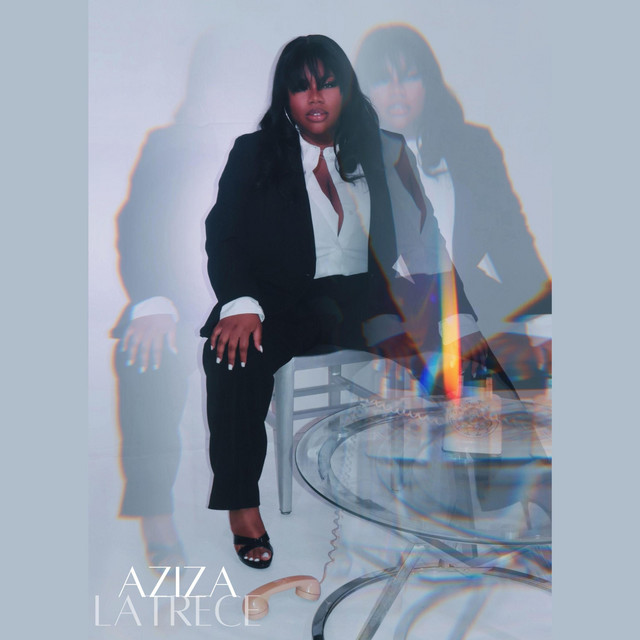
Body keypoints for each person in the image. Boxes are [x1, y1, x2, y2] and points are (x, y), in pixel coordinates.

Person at [200, 34, 485, 569]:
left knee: (469, 354)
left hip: (367, 298)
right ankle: (242, 506)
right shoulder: (254, 153)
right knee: (229, 356)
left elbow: (425, 243)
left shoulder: (388, 149)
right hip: (283, 300)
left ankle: (503, 487)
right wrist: (239, 301)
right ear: (285, 97)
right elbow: (225, 235)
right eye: (301, 86)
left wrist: (457, 319)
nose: (315, 97)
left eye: (327, 84)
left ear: (346, 91)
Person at [355, 25, 552, 389]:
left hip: (474, 306)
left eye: (409, 76)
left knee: (527, 390)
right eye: (383, 80)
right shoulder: (349, 158)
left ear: (428, 82)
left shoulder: (472, 148)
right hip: (395, 316)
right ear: (365, 89)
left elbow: (511, 239)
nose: (397, 91)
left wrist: (543, 323)